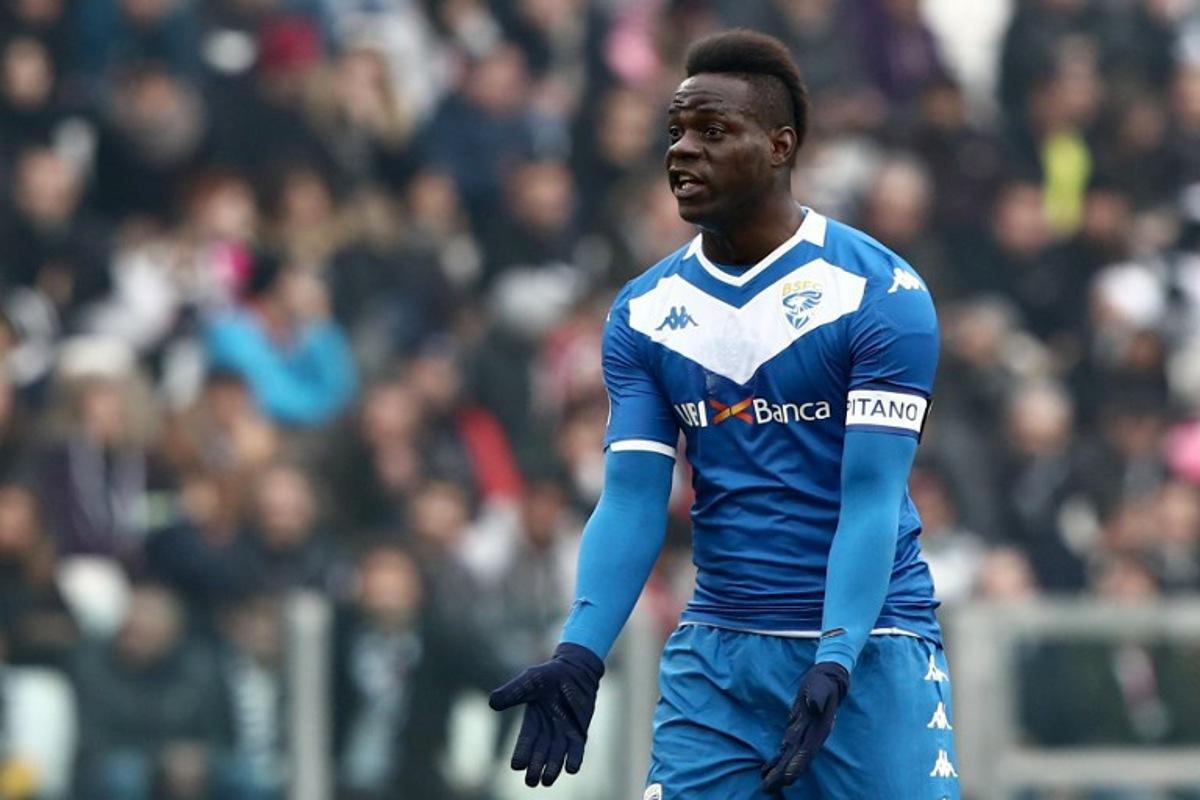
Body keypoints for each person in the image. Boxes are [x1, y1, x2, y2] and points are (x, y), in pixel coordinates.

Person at [489, 30, 959, 798]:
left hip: (870, 649)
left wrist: (836, 657)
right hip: (720, 663)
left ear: (779, 147)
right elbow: (635, 496)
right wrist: (580, 650)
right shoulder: (644, 311)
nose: (682, 152)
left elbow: (870, 494)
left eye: (713, 132)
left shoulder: (881, 294)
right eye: (675, 132)